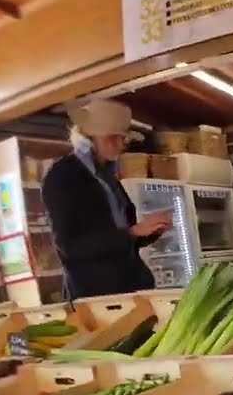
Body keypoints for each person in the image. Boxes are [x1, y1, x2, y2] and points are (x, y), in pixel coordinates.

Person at [43, 99, 170, 300]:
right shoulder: (62, 176)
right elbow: (70, 247)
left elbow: (121, 241)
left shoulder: (108, 177)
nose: (120, 145)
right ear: (87, 139)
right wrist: (133, 231)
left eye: (123, 138)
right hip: (96, 293)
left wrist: (149, 232)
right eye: (112, 138)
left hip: (132, 285)